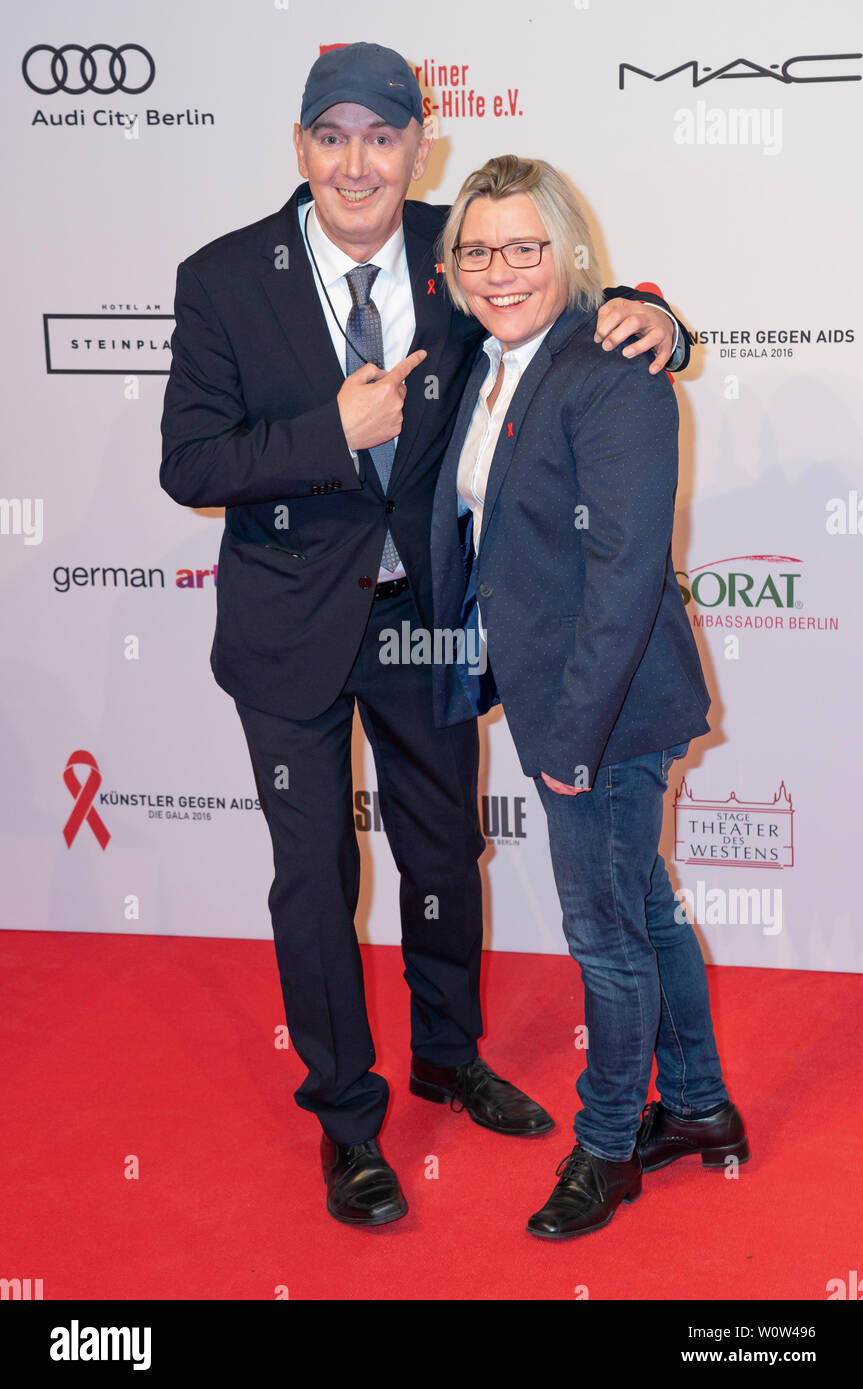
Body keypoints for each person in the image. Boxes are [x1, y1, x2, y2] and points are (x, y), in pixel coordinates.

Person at [160, 42, 690, 1229]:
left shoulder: (461, 250)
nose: (357, 163)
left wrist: (660, 315)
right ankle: (347, 1119)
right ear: (300, 147)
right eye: (332, 136)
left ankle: (447, 1055)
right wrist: (328, 433)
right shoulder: (225, 277)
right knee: (316, 876)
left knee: (443, 851)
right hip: (288, 630)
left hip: (428, 620)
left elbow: (567, 302)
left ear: (418, 147)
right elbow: (188, 462)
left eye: (382, 136)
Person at [430, 154, 748, 1239]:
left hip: (602, 710)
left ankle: (607, 1146)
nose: (500, 270)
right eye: (477, 251)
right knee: (643, 909)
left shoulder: (610, 367)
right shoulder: (491, 359)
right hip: (556, 694)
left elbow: (622, 575)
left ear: (568, 253)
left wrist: (570, 738)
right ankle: (697, 1106)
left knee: (605, 939)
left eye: (524, 247)